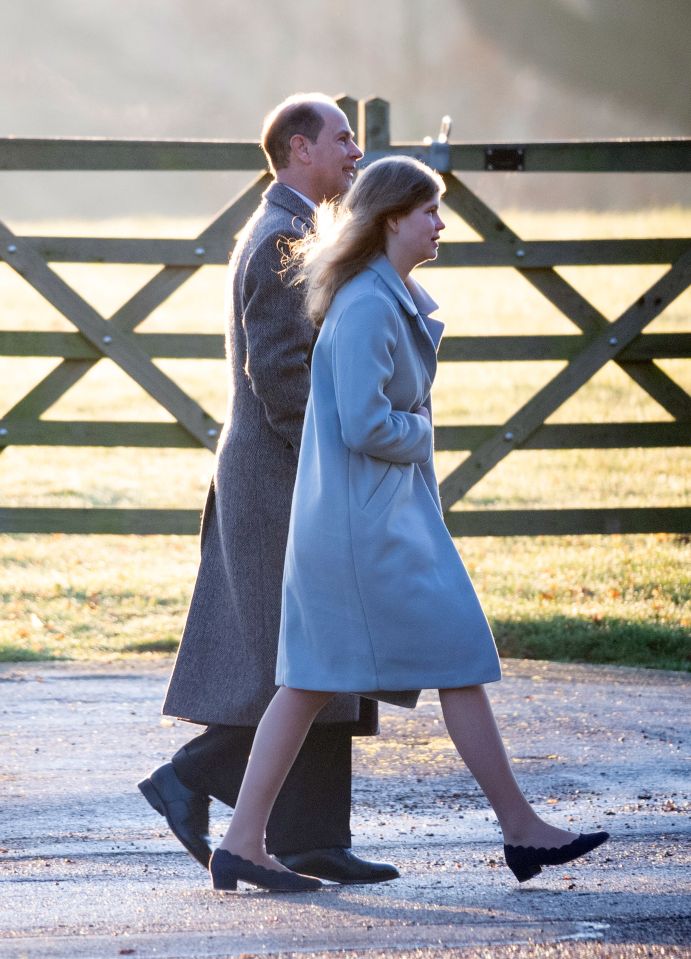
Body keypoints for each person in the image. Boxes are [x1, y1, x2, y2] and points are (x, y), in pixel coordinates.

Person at [206, 156, 610, 893]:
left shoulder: (383, 296)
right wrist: (420, 430)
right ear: (392, 217)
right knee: (435, 655)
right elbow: (364, 423)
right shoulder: (365, 304)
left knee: (310, 681)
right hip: (368, 533)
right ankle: (518, 826)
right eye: (429, 210)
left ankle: (240, 842)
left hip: (371, 522)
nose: (441, 223)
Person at [138, 94, 400, 886]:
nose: (356, 151)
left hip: (288, 469)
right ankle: (187, 777)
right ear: (298, 148)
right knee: (304, 656)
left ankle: (314, 837)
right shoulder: (283, 237)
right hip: (281, 474)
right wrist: (339, 455)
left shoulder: (298, 228)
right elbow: (281, 371)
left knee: (320, 646)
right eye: (343, 138)